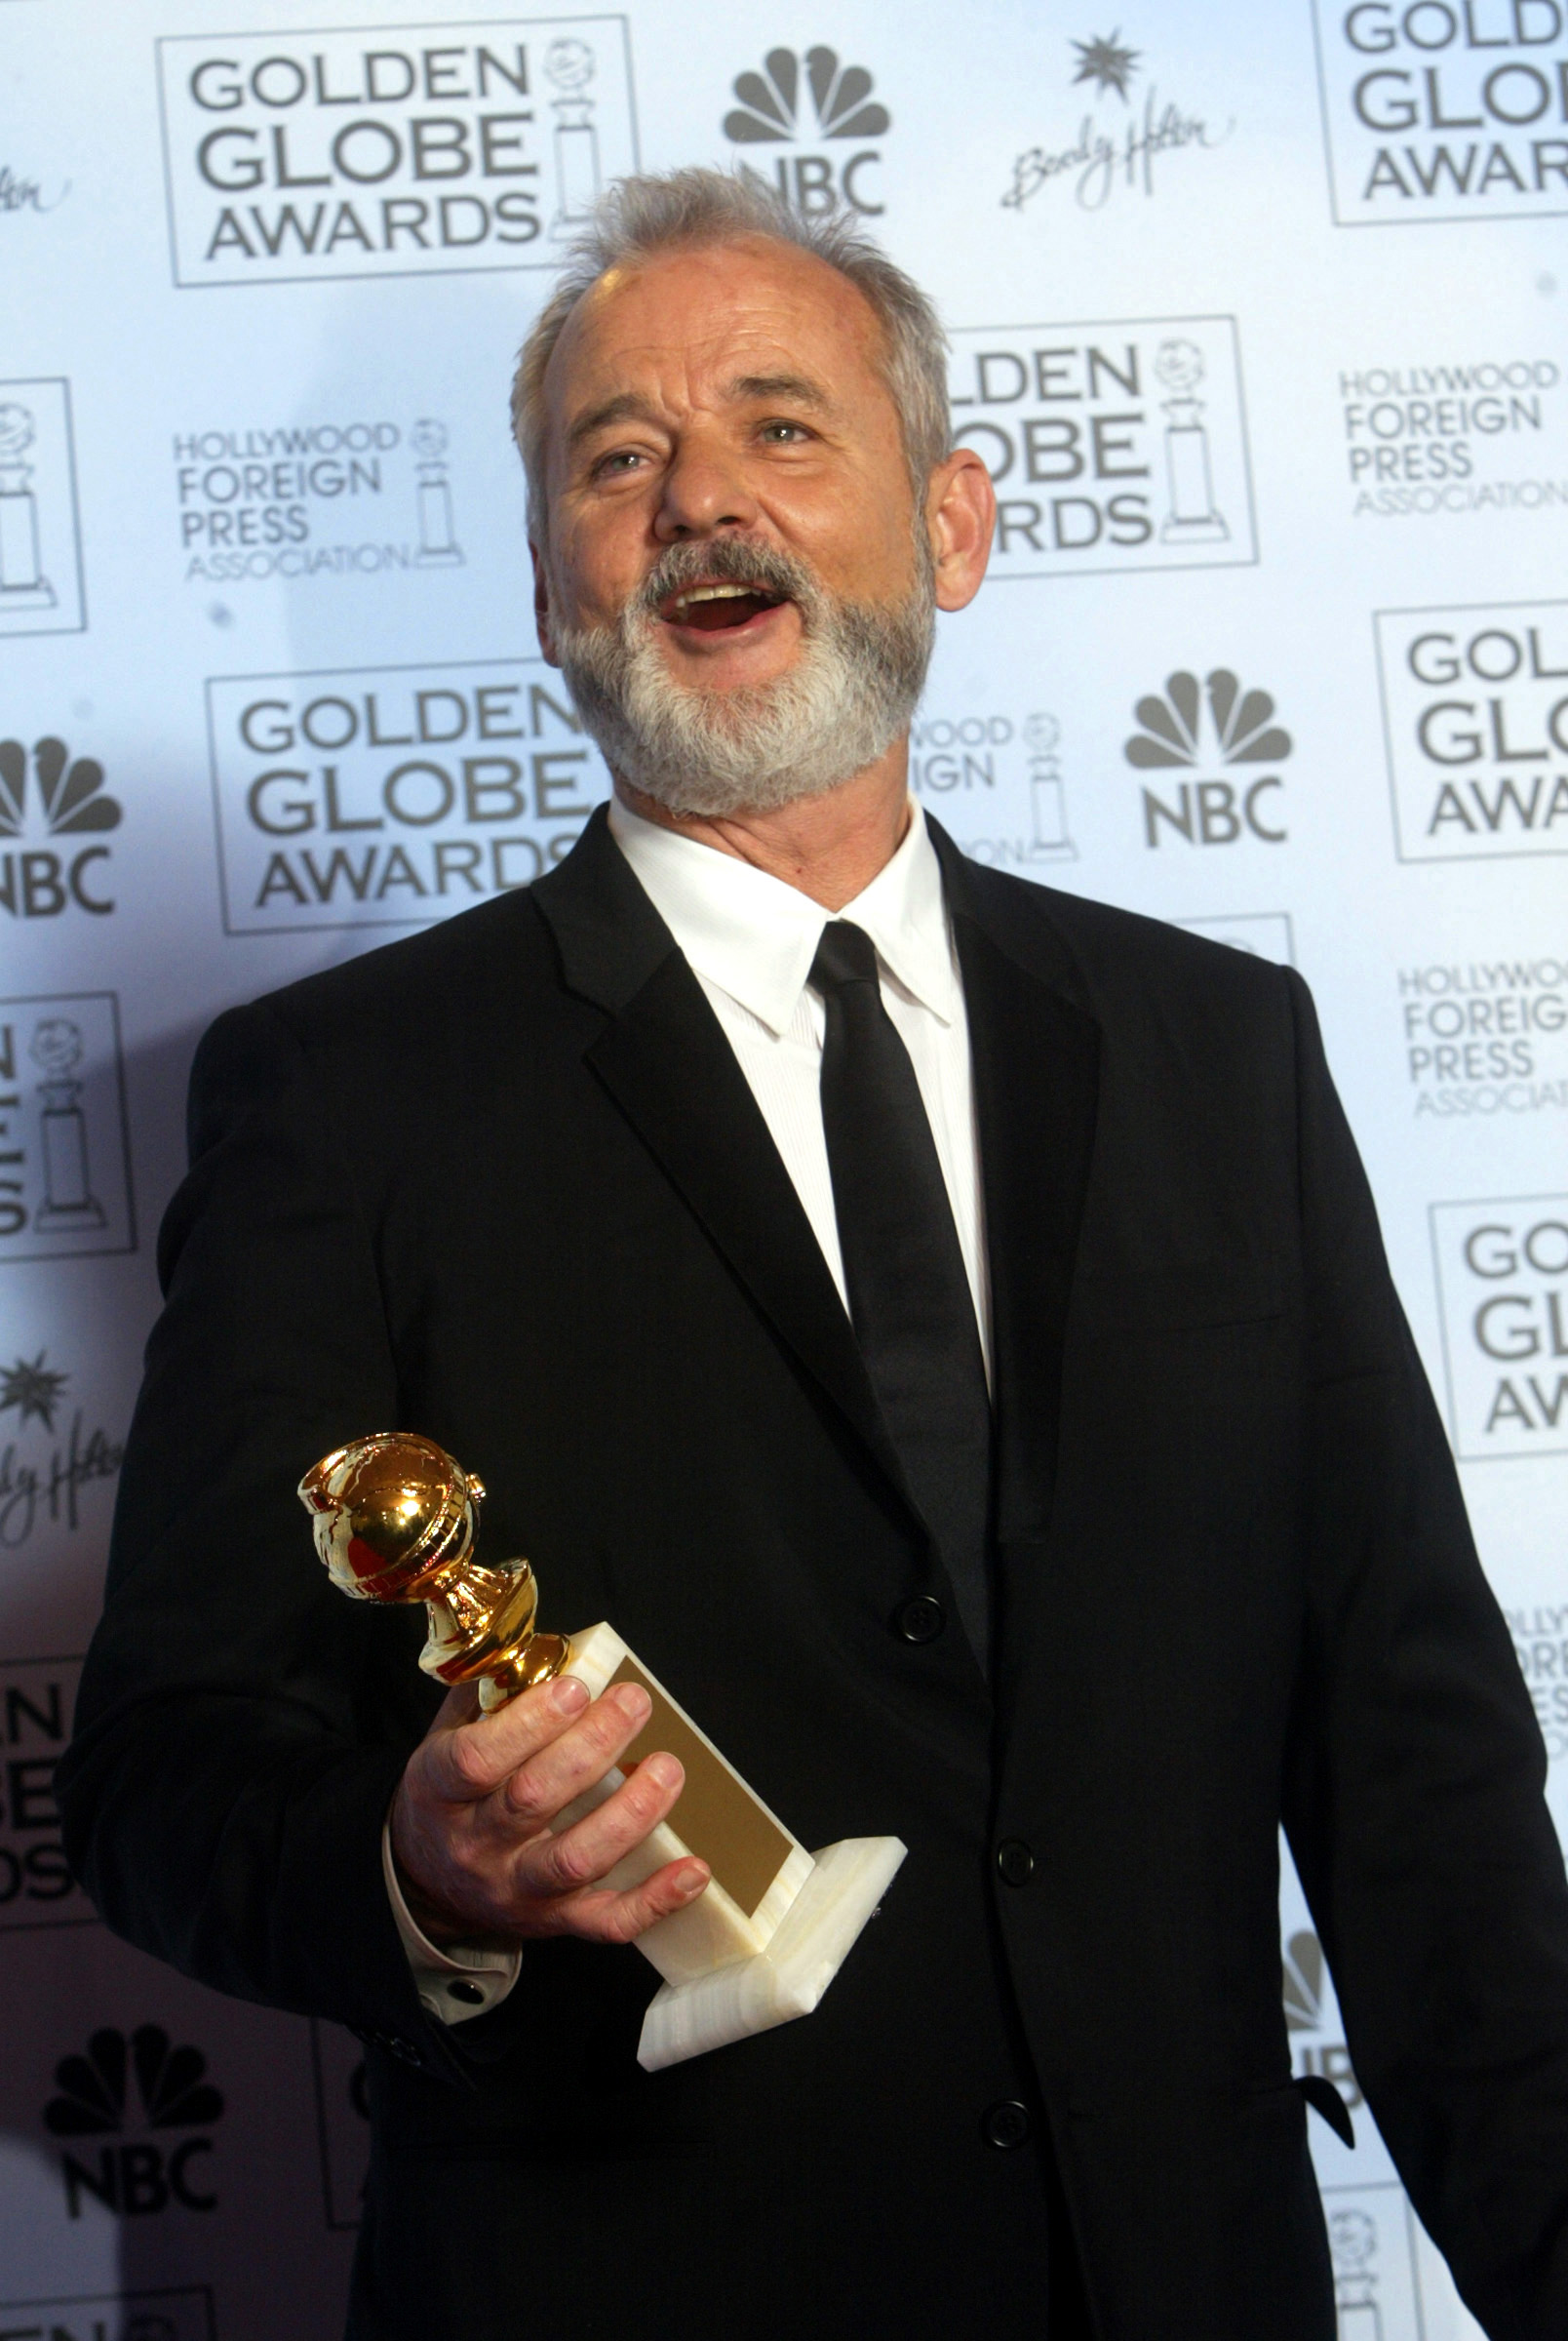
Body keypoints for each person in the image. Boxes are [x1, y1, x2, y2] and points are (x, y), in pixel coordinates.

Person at [59, 169, 1568, 2341]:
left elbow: (1418, 1779)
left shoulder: (1220, 1049)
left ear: (948, 527)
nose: (701, 501)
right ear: (553, 588)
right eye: (618, 458)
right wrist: (420, 1873)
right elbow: (160, 1777)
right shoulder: (348, 1097)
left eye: (783, 426)